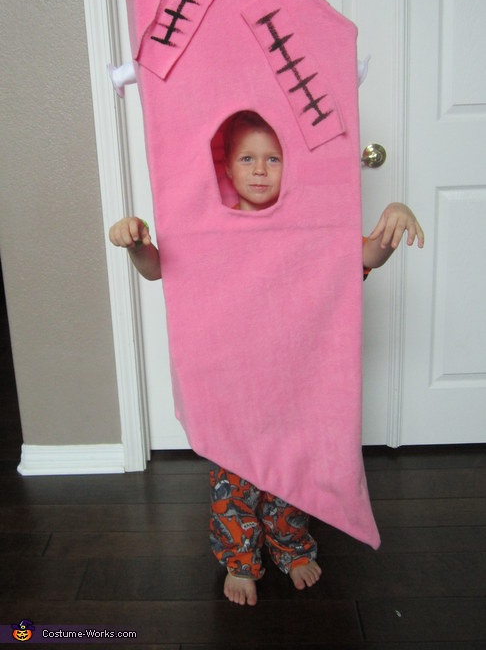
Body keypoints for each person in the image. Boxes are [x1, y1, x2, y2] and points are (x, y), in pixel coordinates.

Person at [109, 111, 424, 606]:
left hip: (295, 386)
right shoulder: (204, 229)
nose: (260, 169)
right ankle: (240, 558)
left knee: (292, 474)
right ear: (227, 170)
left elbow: (360, 260)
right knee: (234, 481)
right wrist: (136, 243)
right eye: (247, 158)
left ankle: (290, 542)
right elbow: (157, 270)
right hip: (232, 387)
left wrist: (393, 220)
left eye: (273, 158)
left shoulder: (311, 227)